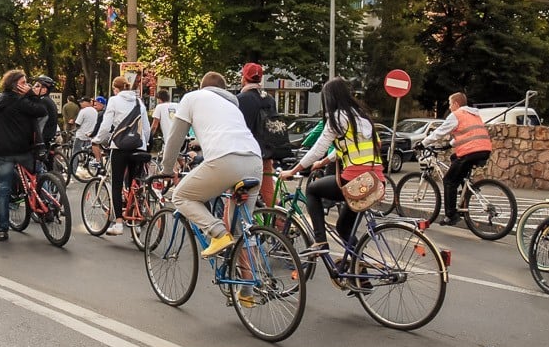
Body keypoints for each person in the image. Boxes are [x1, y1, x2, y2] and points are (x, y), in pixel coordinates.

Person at [160, 72, 263, 262]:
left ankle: (218, 233)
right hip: (255, 160)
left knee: (181, 196)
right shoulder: (232, 105)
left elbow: (175, 138)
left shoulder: (192, 98)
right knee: (242, 228)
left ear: (202, 86)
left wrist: (167, 169)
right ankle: (248, 288)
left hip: (224, 160)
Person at [278, 77, 385, 252]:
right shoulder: (361, 116)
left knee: (312, 190)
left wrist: (293, 171)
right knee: (344, 229)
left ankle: (320, 240)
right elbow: (369, 145)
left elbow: (318, 148)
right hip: (375, 181)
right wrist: (324, 162)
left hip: (354, 181)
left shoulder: (337, 118)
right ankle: (360, 271)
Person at [0, 69, 48, 241]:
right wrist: (32, 94)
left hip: (2, 151)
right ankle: (45, 206)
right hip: (24, 150)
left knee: (3, 189)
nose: (27, 85)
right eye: (24, 82)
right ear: (15, 85)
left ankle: (2, 229)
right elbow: (42, 111)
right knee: (36, 177)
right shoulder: (22, 102)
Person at [416, 91, 492, 226]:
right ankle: (465, 195)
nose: (450, 107)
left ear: (456, 104)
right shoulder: (473, 114)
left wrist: (423, 143)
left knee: (449, 181)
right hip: (484, 149)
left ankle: (451, 215)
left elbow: (439, 132)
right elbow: (468, 135)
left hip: (471, 151)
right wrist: (448, 145)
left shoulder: (456, 115)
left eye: (450, 104)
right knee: (454, 158)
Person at [91, 76, 151, 236]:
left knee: (117, 185)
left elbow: (105, 126)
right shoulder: (139, 102)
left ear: (115, 88)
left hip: (120, 147)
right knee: (134, 184)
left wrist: (97, 140)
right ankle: (136, 220)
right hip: (139, 148)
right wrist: (144, 145)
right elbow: (146, 129)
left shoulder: (114, 101)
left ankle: (118, 223)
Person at [237, 62, 278, 207]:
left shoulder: (241, 99)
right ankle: (280, 223)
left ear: (244, 78)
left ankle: (241, 224)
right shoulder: (269, 98)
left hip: (247, 153)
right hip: (266, 152)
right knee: (268, 191)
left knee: (239, 191)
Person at [32, 75, 59, 149]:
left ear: (44, 90)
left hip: (42, 137)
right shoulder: (48, 100)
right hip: (49, 136)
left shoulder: (43, 101)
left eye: (37, 86)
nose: (33, 87)